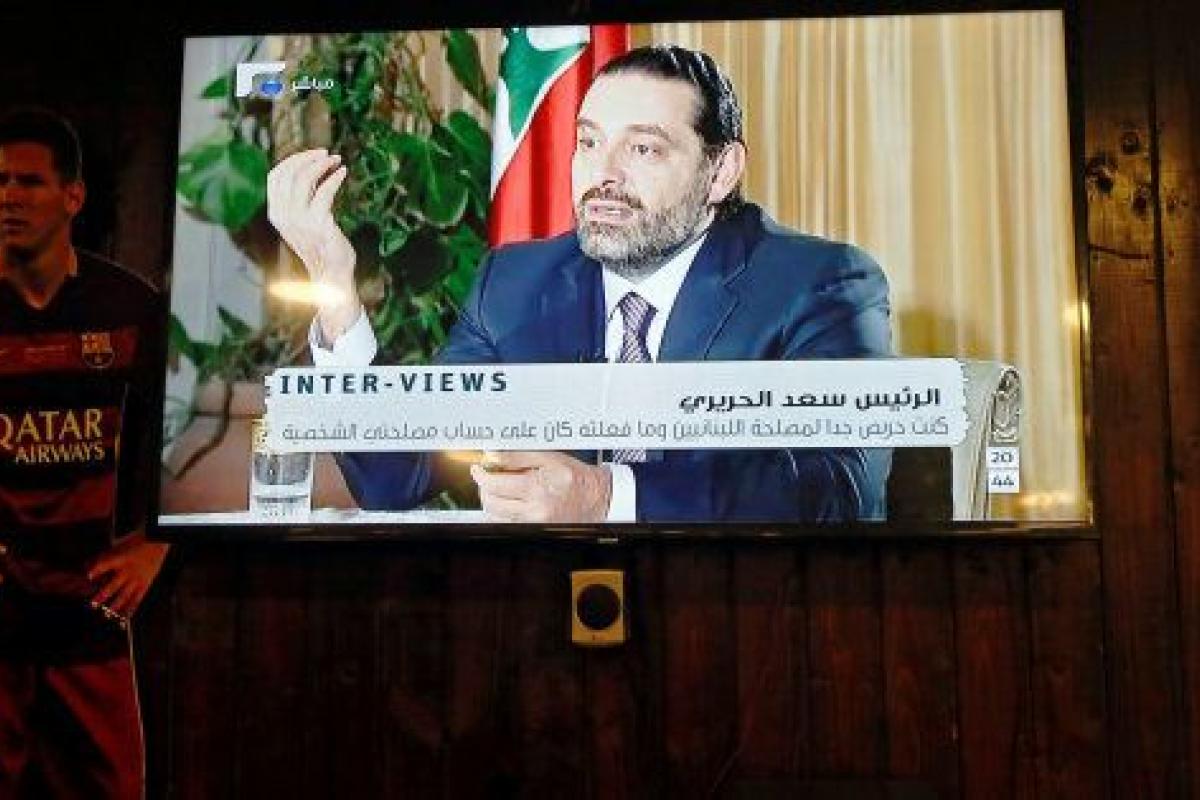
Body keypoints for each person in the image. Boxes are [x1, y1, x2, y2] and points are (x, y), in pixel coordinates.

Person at [267, 45, 892, 524]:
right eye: (588, 142)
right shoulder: (516, 283)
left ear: (721, 170)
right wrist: (335, 288)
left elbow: (842, 491)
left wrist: (603, 495)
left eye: (643, 150)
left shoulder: (820, 283)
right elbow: (394, 478)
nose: (603, 174)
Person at [0, 108, 167, 799]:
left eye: (28, 182)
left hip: (89, 604)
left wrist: (155, 543)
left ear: (72, 196)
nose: (9, 197)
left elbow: (186, 432)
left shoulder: (127, 307)